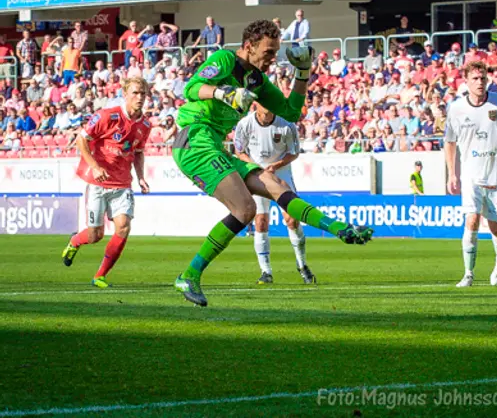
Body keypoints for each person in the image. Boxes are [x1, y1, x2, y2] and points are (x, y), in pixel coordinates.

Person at [173, 19, 373, 307]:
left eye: (275, 52)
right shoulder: (226, 59)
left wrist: (303, 72)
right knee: (245, 209)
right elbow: (192, 88)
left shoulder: (256, 80)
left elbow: (292, 112)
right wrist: (223, 92)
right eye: (268, 52)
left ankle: (339, 228)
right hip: (194, 140)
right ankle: (189, 275)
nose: (273, 59)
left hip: (214, 144)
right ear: (248, 46)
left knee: (276, 185)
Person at [61, 77, 152, 288]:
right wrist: (94, 165)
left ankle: (100, 276)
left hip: (122, 185)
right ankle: (75, 241)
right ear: (125, 95)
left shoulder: (145, 125)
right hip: (98, 183)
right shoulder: (107, 116)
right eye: (135, 93)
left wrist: (141, 178)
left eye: (143, 94)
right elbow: (82, 139)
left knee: (123, 227)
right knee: (95, 235)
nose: (140, 98)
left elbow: (138, 152)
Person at [444, 61, 497, 288]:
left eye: (483, 79)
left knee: (496, 228)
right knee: (471, 220)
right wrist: (452, 173)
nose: (480, 83)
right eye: (475, 79)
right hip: (471, 174)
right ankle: (468, 274)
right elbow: (449, 142)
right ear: (466, 82)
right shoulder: (456, 109)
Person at [235, 103, 316, 285]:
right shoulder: (245, 124)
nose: (267, 104)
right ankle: (266, 271)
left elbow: (293, 153)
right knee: (261, 222)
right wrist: (255, 166)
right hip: (257, 174)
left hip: (281, 172)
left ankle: (302, 265)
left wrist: (276, 165)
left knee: (291, 219)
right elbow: (239, 151)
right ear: (256, 104)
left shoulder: (286, 124)